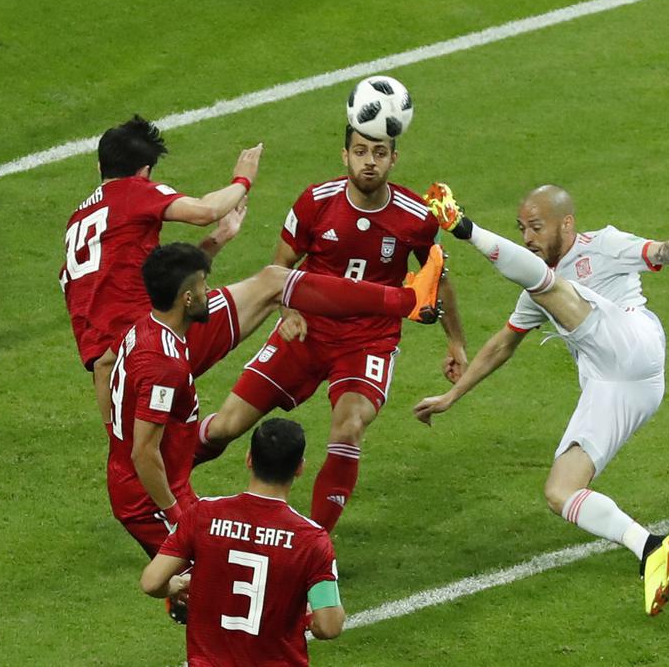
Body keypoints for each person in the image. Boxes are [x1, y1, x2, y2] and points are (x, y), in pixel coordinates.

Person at [413, 182, 669, 616]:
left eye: (535, 227)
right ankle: (650, 547)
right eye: (521, 228)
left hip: (635, 343)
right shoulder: (538, 286)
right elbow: (502, 344)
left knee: (543, 283)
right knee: (560, 491)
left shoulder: (603, 245)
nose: (527, 237)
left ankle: (464, 227)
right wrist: (452, 395)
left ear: (566, 223)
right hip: (615, 387)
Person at [108, 242, 441, 619]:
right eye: (203, 285)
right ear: (186, 297)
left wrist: (114, 430)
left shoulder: (148, 329)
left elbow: (106, 366)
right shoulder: (163, 366)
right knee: (235, 598)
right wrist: (177, 516)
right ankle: (194, 602)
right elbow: (142, 453)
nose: (209, 292)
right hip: (148, 498)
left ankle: (405, 300)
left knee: (272, 281)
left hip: (160, 474)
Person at [194, 125, 468, 534]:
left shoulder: (415, 216)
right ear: (345, 156)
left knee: (350, 425)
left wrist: (455, 344)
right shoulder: (316, 202)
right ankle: (162, 478)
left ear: (394, 158)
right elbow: (279, 268)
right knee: (225, 426)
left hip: (368, 341)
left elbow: (437, 277)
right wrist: (287, 311)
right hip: (308, 331)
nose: (369, 161)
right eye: (360, 151)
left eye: (379, 152)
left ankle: (313, 545)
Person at [60, 115, 261, 432]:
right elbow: (205, 210)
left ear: (100, 167)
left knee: (151, 446)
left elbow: (160, 276)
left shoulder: (78, 220)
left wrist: (218, 238)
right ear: (144, 173)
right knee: (273, 285)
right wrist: (242, 180)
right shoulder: (133, 192)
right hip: (150, 343)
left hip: (111, 367)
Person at [142, 418, 344, 666]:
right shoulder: (311, 540)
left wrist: (177, 585)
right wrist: (305, 618)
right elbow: (329, 625)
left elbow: (152, 582)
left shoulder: (203, 514)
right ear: (299, 468)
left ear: (249, 458)